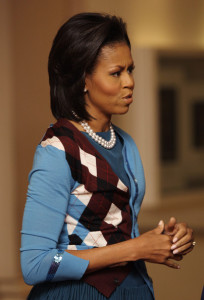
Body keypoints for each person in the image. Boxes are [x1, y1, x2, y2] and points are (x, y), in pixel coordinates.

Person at [20, 12, 195, 300]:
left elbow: (117, 230)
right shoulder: (57, 150)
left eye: (131, 70)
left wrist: (165, 241)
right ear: (83, 79)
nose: (130, 82)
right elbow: (35, 264)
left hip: (134, 289)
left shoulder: (126, 144)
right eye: (116, 73)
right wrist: (136, 248)